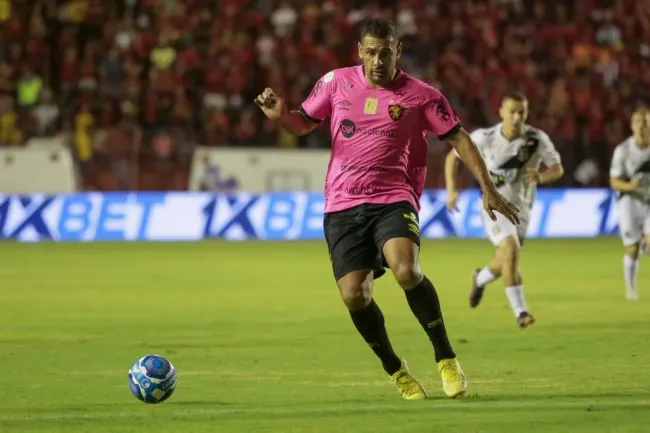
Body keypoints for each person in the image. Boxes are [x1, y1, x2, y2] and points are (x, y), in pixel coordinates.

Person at [255, 18, 519, 400]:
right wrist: (281, 115)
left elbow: (458, 138)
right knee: (354, 296)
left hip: (394, 196)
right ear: (360, 52)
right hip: (343, 204)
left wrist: (488, 188)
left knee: (406, 268)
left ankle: (445, 357)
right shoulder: (335, 83)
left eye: (385, 52)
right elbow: (302, 124)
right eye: (371, 52)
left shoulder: (421, 95)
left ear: (398, 50)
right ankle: (396, 369)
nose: (378, 60)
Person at [444, 92, 564, 327]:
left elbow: (558, 169)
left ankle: (480, 278)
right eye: (512, 111)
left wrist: (541, 176)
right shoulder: (484, 137)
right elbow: (452, 157)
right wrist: (451, 190)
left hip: (522, 208)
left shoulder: (536, 140)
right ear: (501, 112)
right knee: (510, 249)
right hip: (494, 205)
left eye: (522, 112)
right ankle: (521, 312)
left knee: (505, 259)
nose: (517, 117)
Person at [609, 107, 650, 301]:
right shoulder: (623, 150)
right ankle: (631, 288)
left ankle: (646, 243)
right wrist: (630, 185)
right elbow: (614, 181)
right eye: (639, 122)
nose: (643, 126)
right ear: (632, 125)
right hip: (629, 201)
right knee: (632, 249)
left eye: (646, 122)